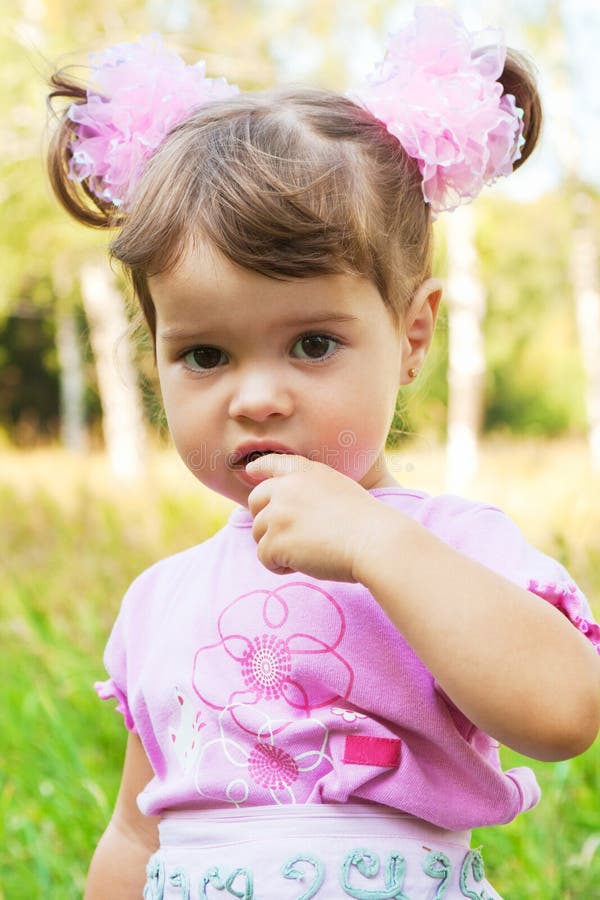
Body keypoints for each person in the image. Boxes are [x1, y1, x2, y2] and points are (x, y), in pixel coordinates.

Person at [47, 7, 600, 899]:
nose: (254, 395)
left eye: (311, 344)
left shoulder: (449, 548)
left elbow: (566, 712)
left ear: (413, 336)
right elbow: (132, 832)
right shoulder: (161, 600)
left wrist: (375, 544)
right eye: (204, 355)